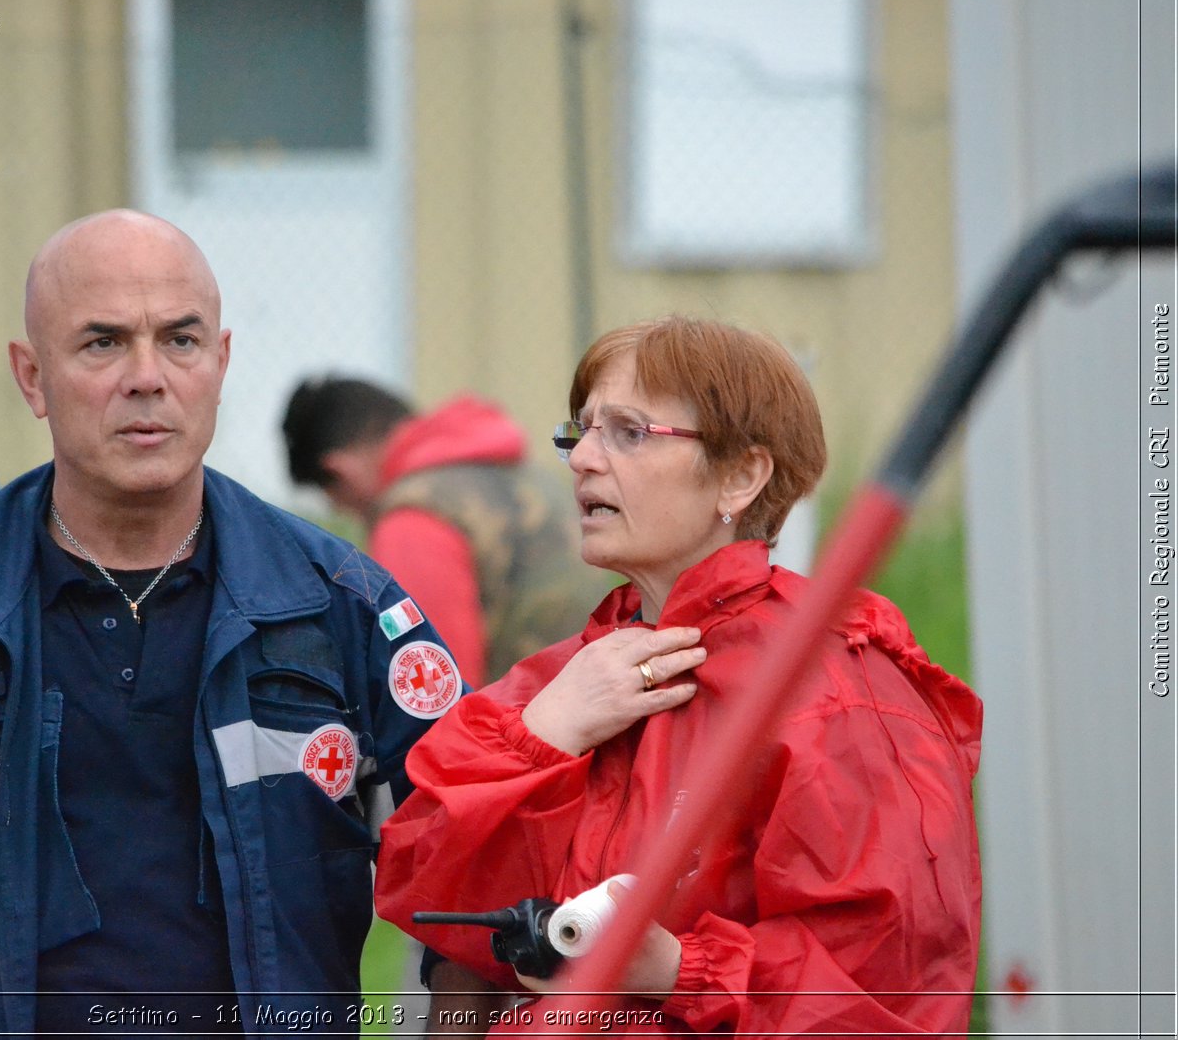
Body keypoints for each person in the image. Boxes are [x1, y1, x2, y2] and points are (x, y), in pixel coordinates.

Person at [0, 210, 465, 1037]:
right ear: (32, 376)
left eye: (181, 341)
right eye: (102, 343)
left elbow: (474, 850)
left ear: (221, 363)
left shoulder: (342, 607)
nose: (147, 376)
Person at [374, 316, 983, 1036]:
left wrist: (677, 969)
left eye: (629, 432)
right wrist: (544, 734)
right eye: (582, 431)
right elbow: (422, 885)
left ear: (741, 475)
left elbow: (887, 989)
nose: (582, 460)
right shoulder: (560, 680)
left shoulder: (835, 690)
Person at [281, 380, 610, 690]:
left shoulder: (413, 518)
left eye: (335, 500)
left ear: (340, 470)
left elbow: (438, 689)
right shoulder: (535, 480)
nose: (347, 513)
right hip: (603, 700)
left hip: (524, 733)